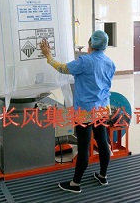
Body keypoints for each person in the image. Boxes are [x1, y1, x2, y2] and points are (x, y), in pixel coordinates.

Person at [40, 30, 116, 194]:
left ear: (90, 43)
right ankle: (103, 175)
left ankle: (75, 183)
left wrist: (48, 56)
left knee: (83, 147)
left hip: (85, 111)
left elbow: (62, 68)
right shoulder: (110, 63)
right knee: (103, 142)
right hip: (102, 108)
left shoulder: (84, 61)